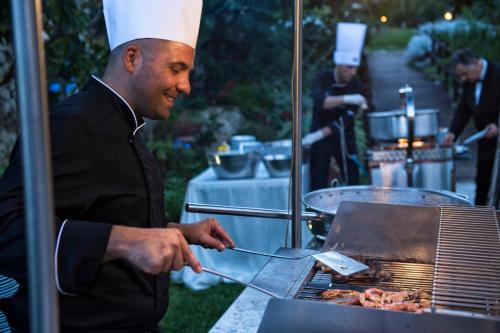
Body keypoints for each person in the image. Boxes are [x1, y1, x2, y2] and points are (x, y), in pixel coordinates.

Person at [0, 0, 235, 331]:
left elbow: (106, 219)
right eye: (175, 68)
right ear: (132, 58)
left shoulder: (126, 126)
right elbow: (7, 231)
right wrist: (126, 241)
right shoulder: (71, 126)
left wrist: (181, 232)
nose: (186, 86)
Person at [303, 23, 370, 190]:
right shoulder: (322, 78)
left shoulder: (357, 86)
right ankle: (315, 216)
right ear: (338, 65)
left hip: (344, 139)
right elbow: (321, 102)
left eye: (355, 68)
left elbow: (346, 118)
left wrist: (319, 134)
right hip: (320, 141)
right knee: (317, 183)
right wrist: (347, 98)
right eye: (349, 67)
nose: (353, 72)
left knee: (353, 182)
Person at [443, 48, 500, 205]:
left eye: (464, 73)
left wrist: (498, 127)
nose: (462, 78)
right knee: (482, 181)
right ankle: (480, 222)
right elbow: (464, 108)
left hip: (497, 136)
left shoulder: (497, 74)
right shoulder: (470, 81)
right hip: (485, 140)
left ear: (476, 63)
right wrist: (453, 132)